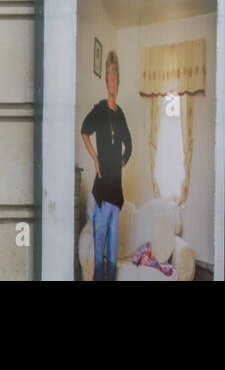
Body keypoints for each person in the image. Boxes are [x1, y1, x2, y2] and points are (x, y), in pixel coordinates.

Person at [81, 50, 132, 281]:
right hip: (102, 192)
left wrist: (121, 161)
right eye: (109, 74)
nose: (112, 79)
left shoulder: (120, 115)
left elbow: (129, 145)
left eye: (116, 75)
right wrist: (96, 159)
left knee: (113, 254)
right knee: (100, 248)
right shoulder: (100, 109)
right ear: (106, 80)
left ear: (118, 81)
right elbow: (84, 131)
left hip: (117, 194)